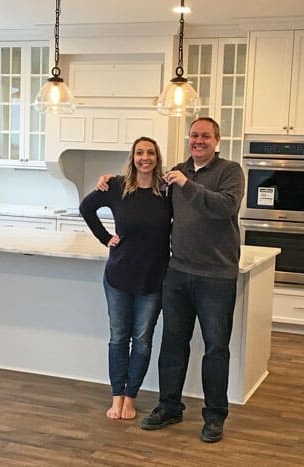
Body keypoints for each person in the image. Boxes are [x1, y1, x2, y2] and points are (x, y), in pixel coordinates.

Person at [96, 117, 245, 442]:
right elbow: (145, 188)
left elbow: (225, 207)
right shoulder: (176, 171)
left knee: (216, 348)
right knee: (172, 344)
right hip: (177, 273)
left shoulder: (230, 171)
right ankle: (169, 406)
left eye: (205, 136)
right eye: (194, 135)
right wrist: (113, 180)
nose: (198, 140)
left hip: (216, 276)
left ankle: (214, 416)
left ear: (217, 140)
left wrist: (187, 185)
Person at [79, 136, 172, 421]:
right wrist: (106, 238)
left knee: (142, 340)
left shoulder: (167, 190)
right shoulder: (117, 186)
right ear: (133, 157)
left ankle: (130, 398)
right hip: (119, 275)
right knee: (118, 339)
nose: (145, 157)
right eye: (140, 152)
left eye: (151, 153)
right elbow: (86, 208)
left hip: (153, 277)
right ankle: (116, 396)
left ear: (157, 157)